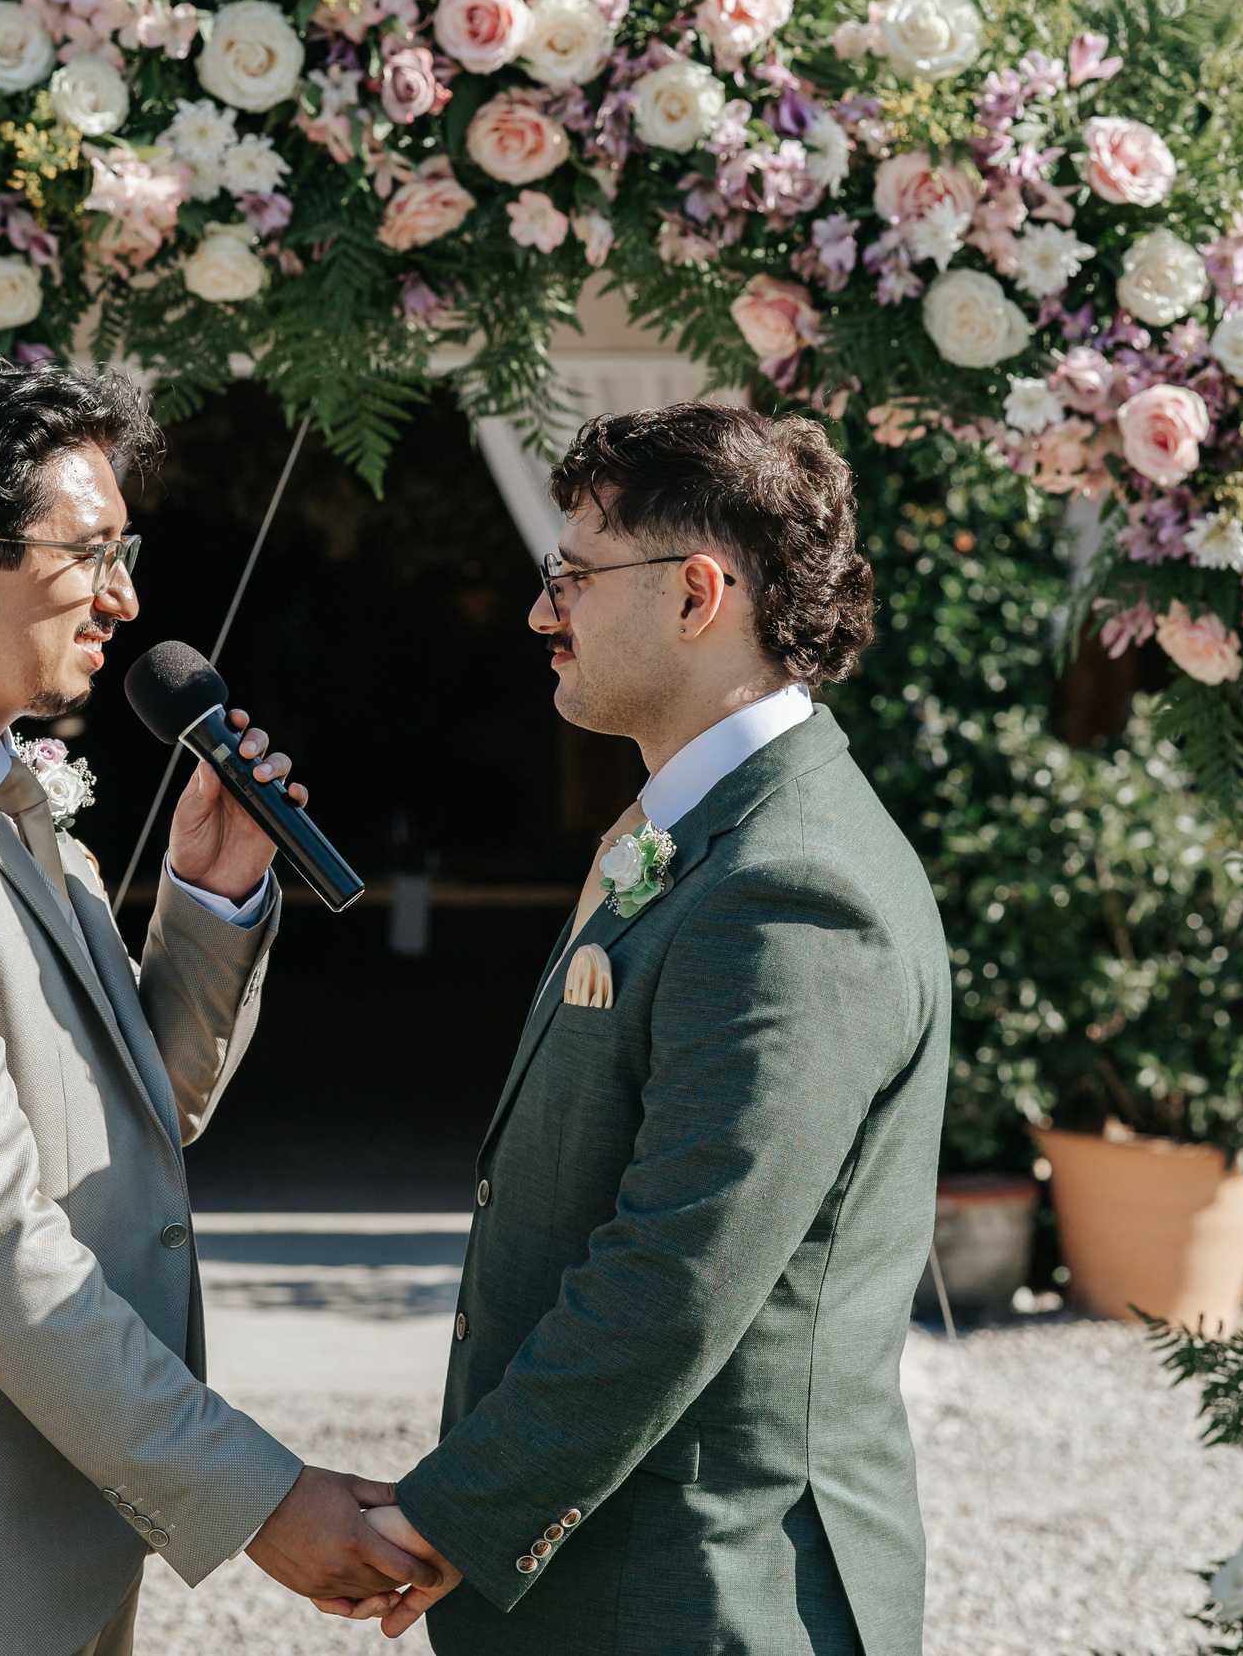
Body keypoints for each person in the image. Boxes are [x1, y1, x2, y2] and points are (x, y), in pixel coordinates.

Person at [0, 347, 434, 1656]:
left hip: (42, 1542)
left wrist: (210, 907)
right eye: (89, 551)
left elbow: (119, 1128)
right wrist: (261, 1495)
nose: (126, 594)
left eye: (126, 546)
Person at [342, 403, 950, 1655]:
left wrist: (452, 1513)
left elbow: (679, 1266)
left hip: (698, 1592)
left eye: (569, 574)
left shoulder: (793, 885)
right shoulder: (713, 832)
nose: (536, 610)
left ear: (696, 594)